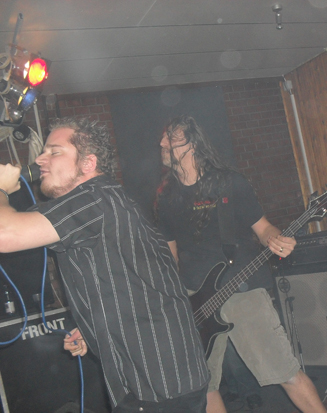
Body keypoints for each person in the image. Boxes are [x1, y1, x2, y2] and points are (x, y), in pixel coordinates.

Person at [0, 117, 210, 412]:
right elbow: (134, 282)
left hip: (158, 384)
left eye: (54, 151)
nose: (40, 160)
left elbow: (5, 234)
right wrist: (95, 329)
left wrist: (1, 189)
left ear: (88, 164)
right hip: (158, 379)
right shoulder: (99, 201)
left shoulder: (94, 200)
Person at [155, 115, 327, 413]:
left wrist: (276, 239)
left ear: (192, 145)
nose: (162, 143)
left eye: (171, 137)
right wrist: (171, 301)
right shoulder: (166, 197)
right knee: (204, 387)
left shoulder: (229, 182)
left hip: (241, 289)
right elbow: (170, 257)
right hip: (195, 301)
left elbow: (263, 229)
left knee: (285, 372)